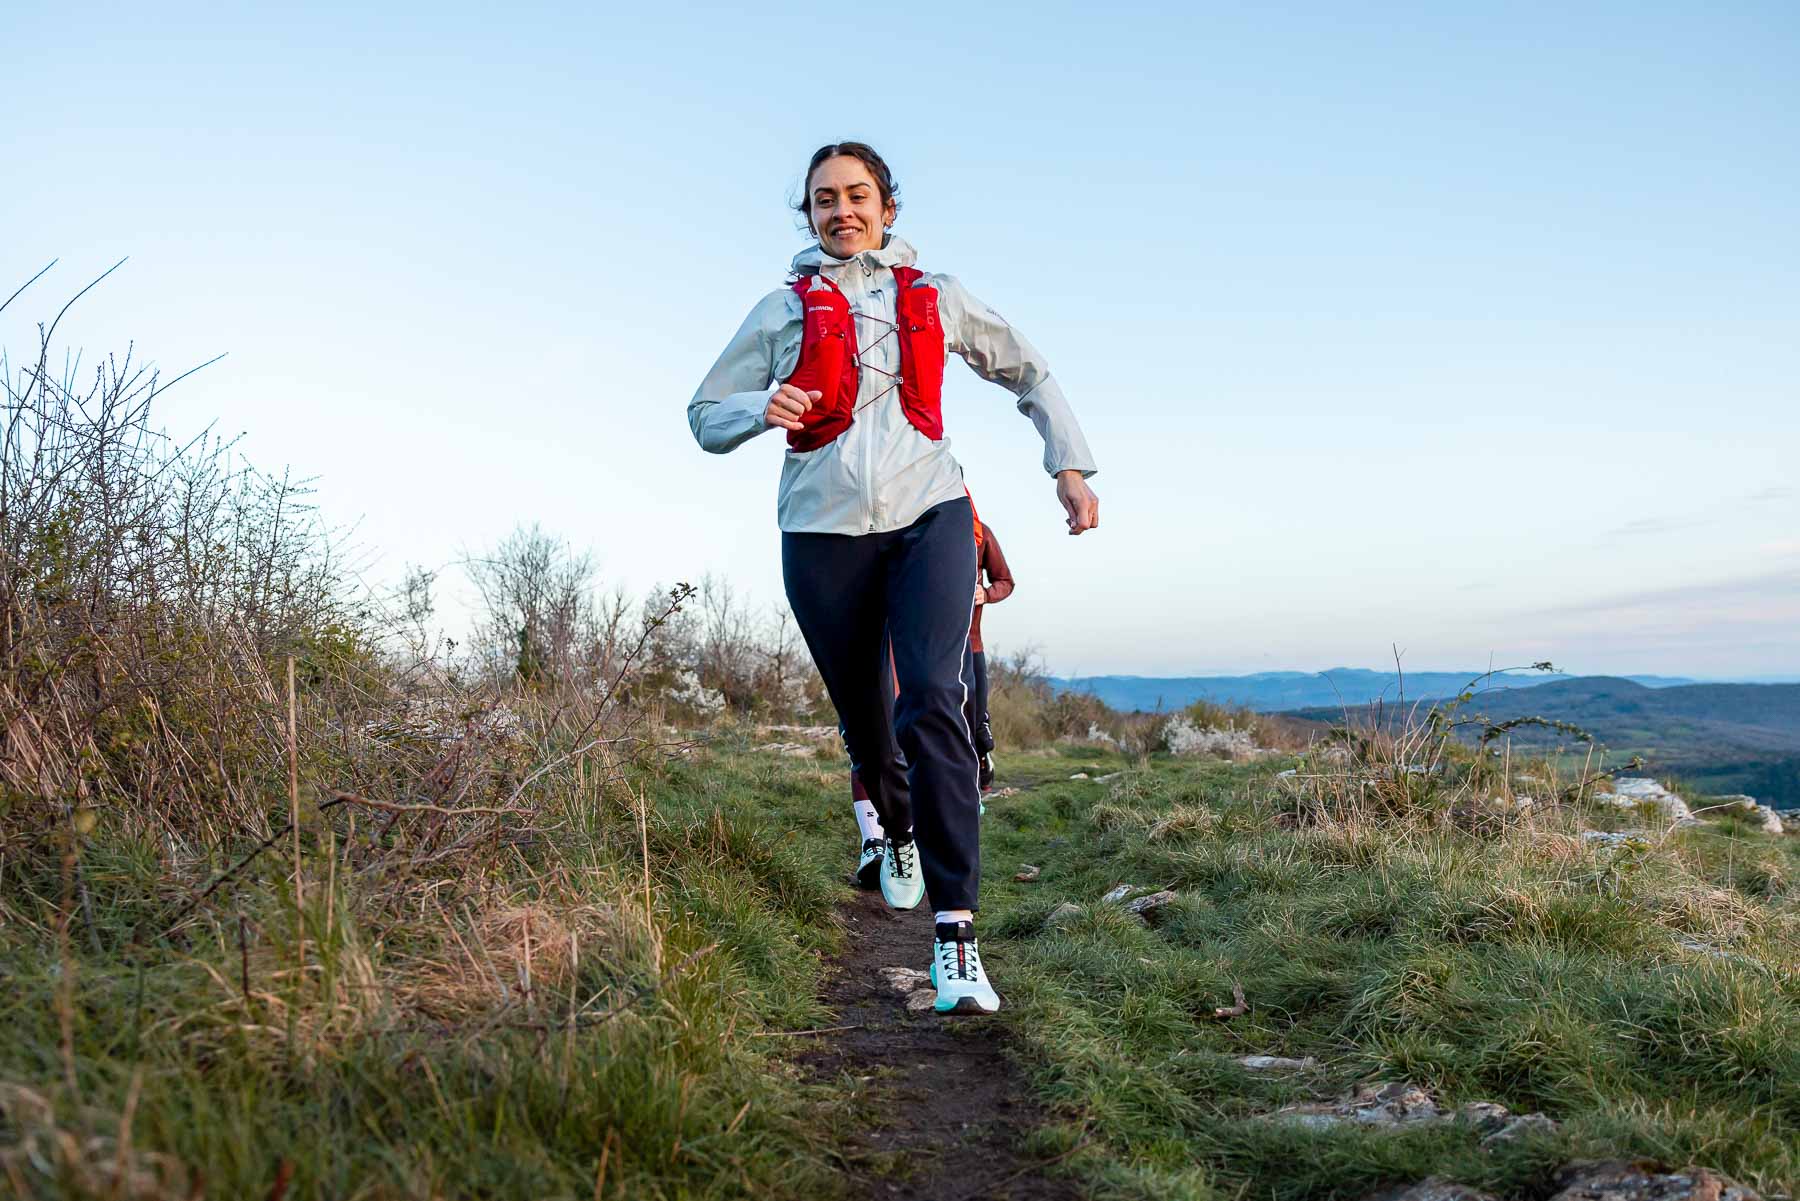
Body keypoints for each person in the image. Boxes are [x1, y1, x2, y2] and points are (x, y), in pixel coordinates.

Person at [689, 142, 1099, 1015]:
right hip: (821, 531)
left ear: (888, 206)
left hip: (930, 514)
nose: (843, 210)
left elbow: (1028, 368)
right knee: (868, 725)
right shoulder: (779, 310)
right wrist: (758, 409)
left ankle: (956, 936)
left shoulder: (935, 296)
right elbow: (702, 413)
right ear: (809, 216)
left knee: (932, 706)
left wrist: (1070, 465)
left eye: (858, 195)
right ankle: (894, 828)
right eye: (825, 199)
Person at [966, 515, 1013, 793]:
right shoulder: (917, 528)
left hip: (972, 644)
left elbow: (1005, 580)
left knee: (977, 720)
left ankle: (983, 756)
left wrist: (987, 593)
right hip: (931, 645)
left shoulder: (981, 534)